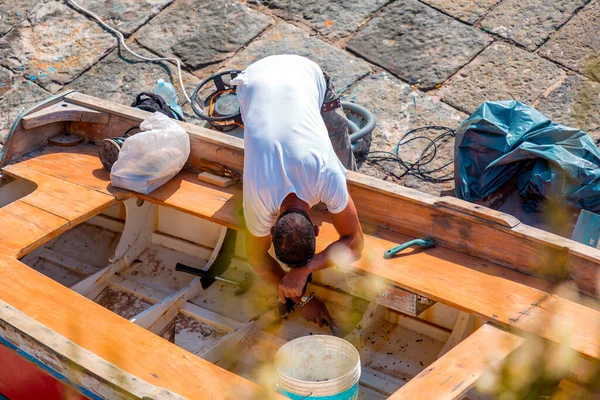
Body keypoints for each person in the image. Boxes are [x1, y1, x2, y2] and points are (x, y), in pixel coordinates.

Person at [231, 55, 364, 328]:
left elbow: (357, 243)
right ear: (316, 230)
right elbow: (256, 256)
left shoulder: (327, 175)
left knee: (348, 162)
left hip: (303, 71)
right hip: (252, 79)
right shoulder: (260, 196)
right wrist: (301, 294)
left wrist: (303, 271)